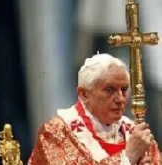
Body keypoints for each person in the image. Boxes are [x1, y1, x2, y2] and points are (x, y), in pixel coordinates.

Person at [28, 53, 161, 165]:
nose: (121, 99)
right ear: (84, 94)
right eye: (110, 90)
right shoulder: (57, 132)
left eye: (124, 90)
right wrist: (127, 158)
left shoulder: (136, 133)